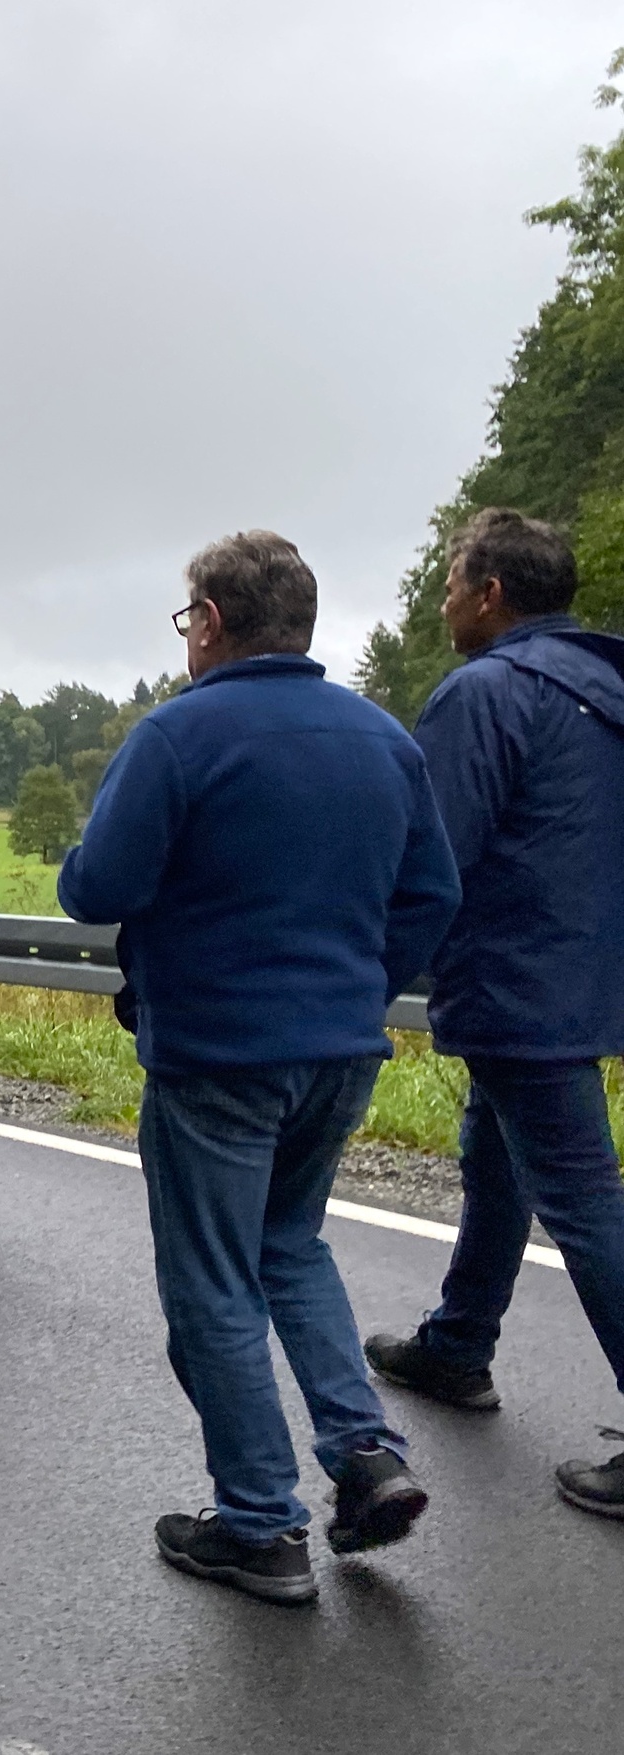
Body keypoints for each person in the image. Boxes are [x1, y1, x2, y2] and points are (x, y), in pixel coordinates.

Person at [58, 531, 461, 1605]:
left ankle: (259, 1524)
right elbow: (434, 894)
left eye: (188, 617)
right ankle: (365, 1453)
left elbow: (97, 887)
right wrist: (360, 987)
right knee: (290, 1244)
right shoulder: (384, 740)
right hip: (340, 1049)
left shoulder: (179, 735)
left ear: (213, 621)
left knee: (212, 1281)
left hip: (217, 1051)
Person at [352, 510, 624, 1521]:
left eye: (452, 583)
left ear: (492, 593)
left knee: (583, 1197)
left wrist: (366, 978)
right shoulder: (605, 690)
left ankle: (462, 1343)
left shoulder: (487, 692)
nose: (444, 601)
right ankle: (458, 1343)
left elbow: (432, 855)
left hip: (520, 981)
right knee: (494, 1156)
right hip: (587, 971)